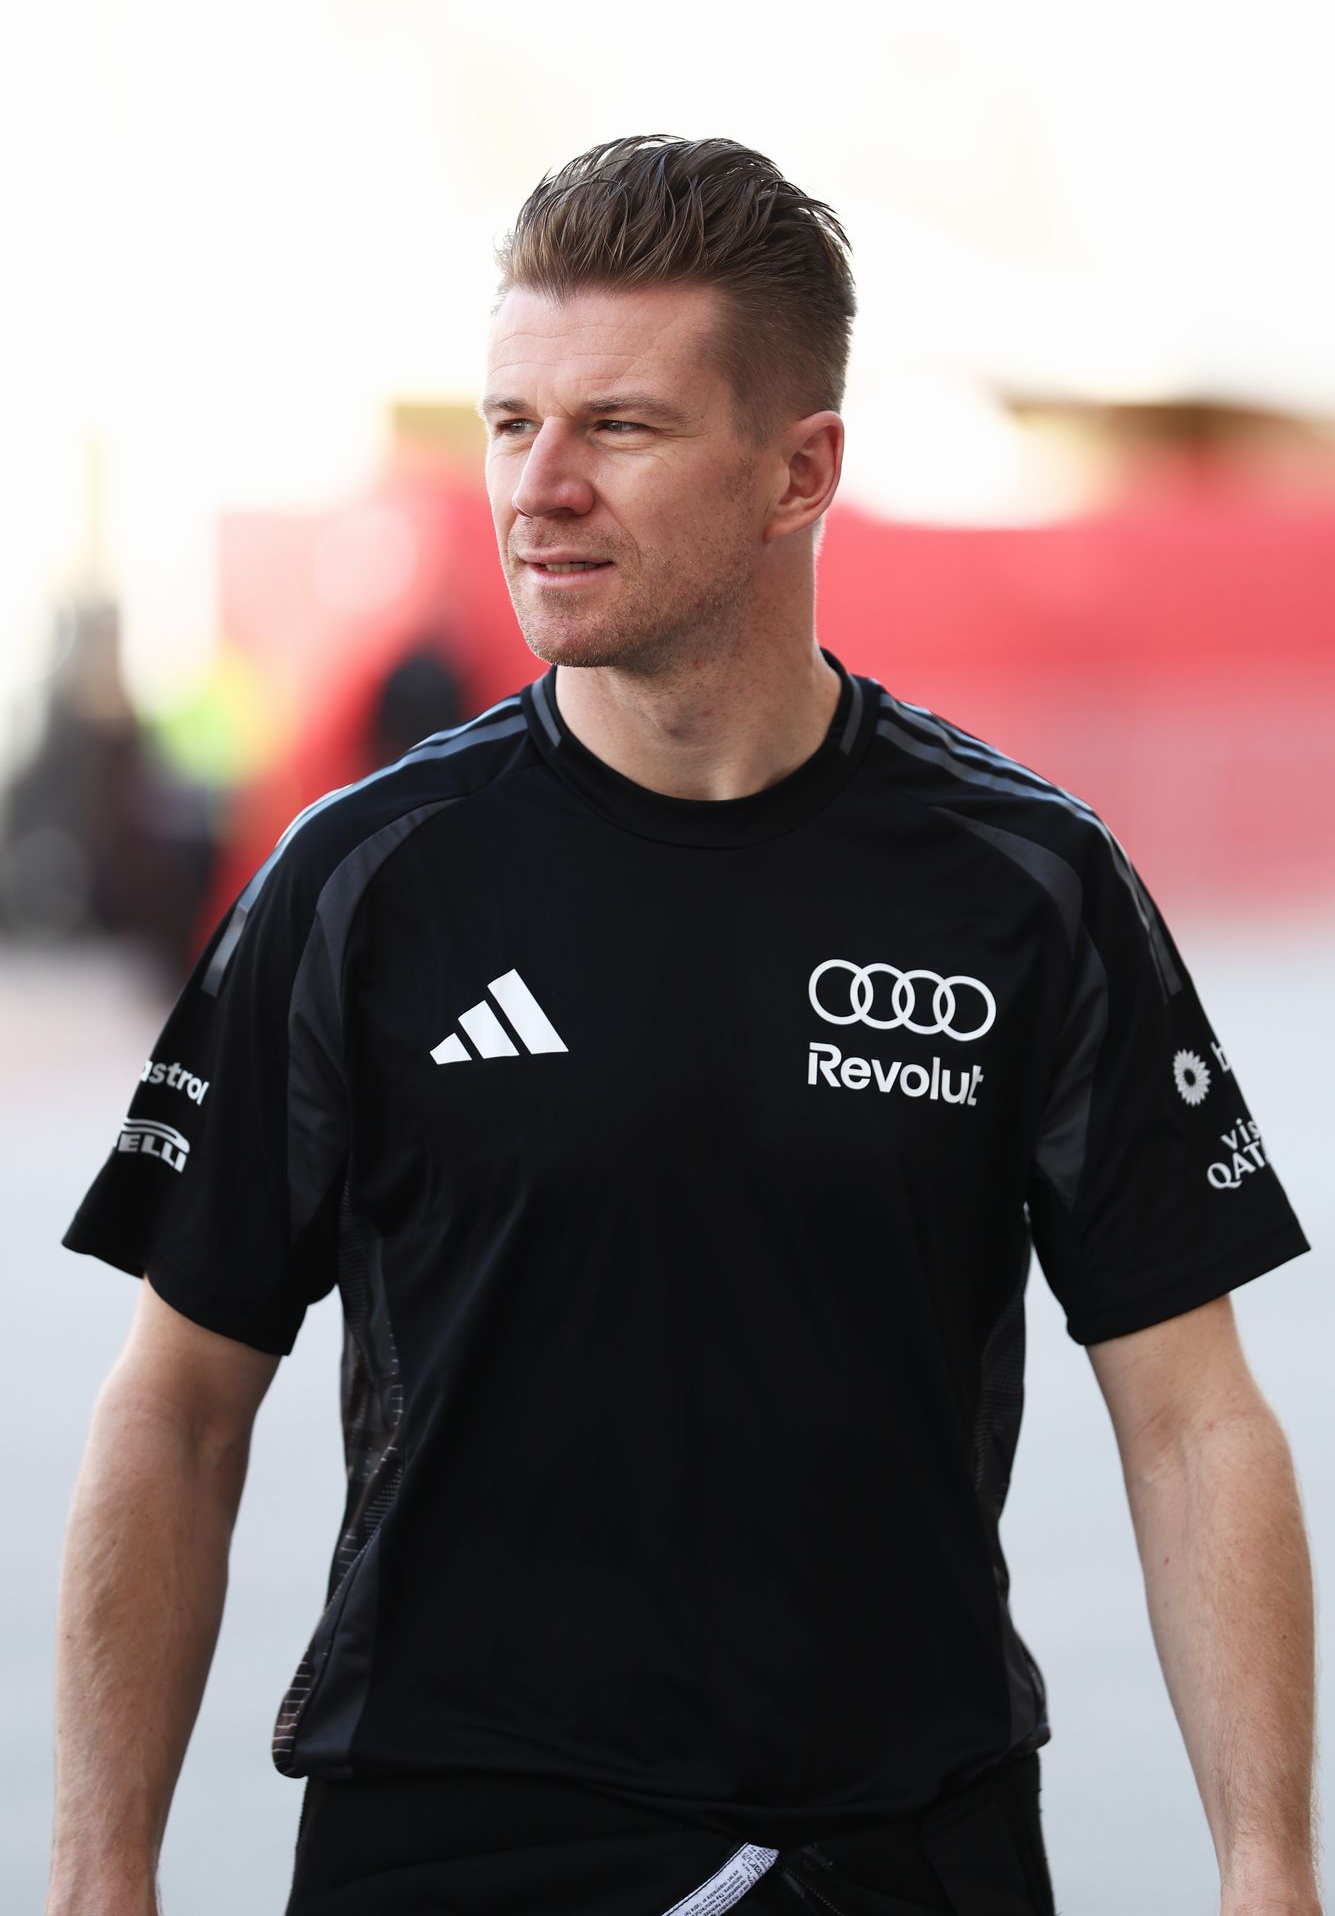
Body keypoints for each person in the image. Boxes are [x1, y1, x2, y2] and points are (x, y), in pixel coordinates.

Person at [47, 136, 1320, 1916]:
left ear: (802, 472)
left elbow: (1194, 1421)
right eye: (510, 423)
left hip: (906, 1845)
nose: (538, 488)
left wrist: (1272, 1869)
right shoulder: (362, 882)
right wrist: (99, 1871)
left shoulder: (1029, 887)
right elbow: (176, 1411)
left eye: (619, 428)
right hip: (457, 1843)